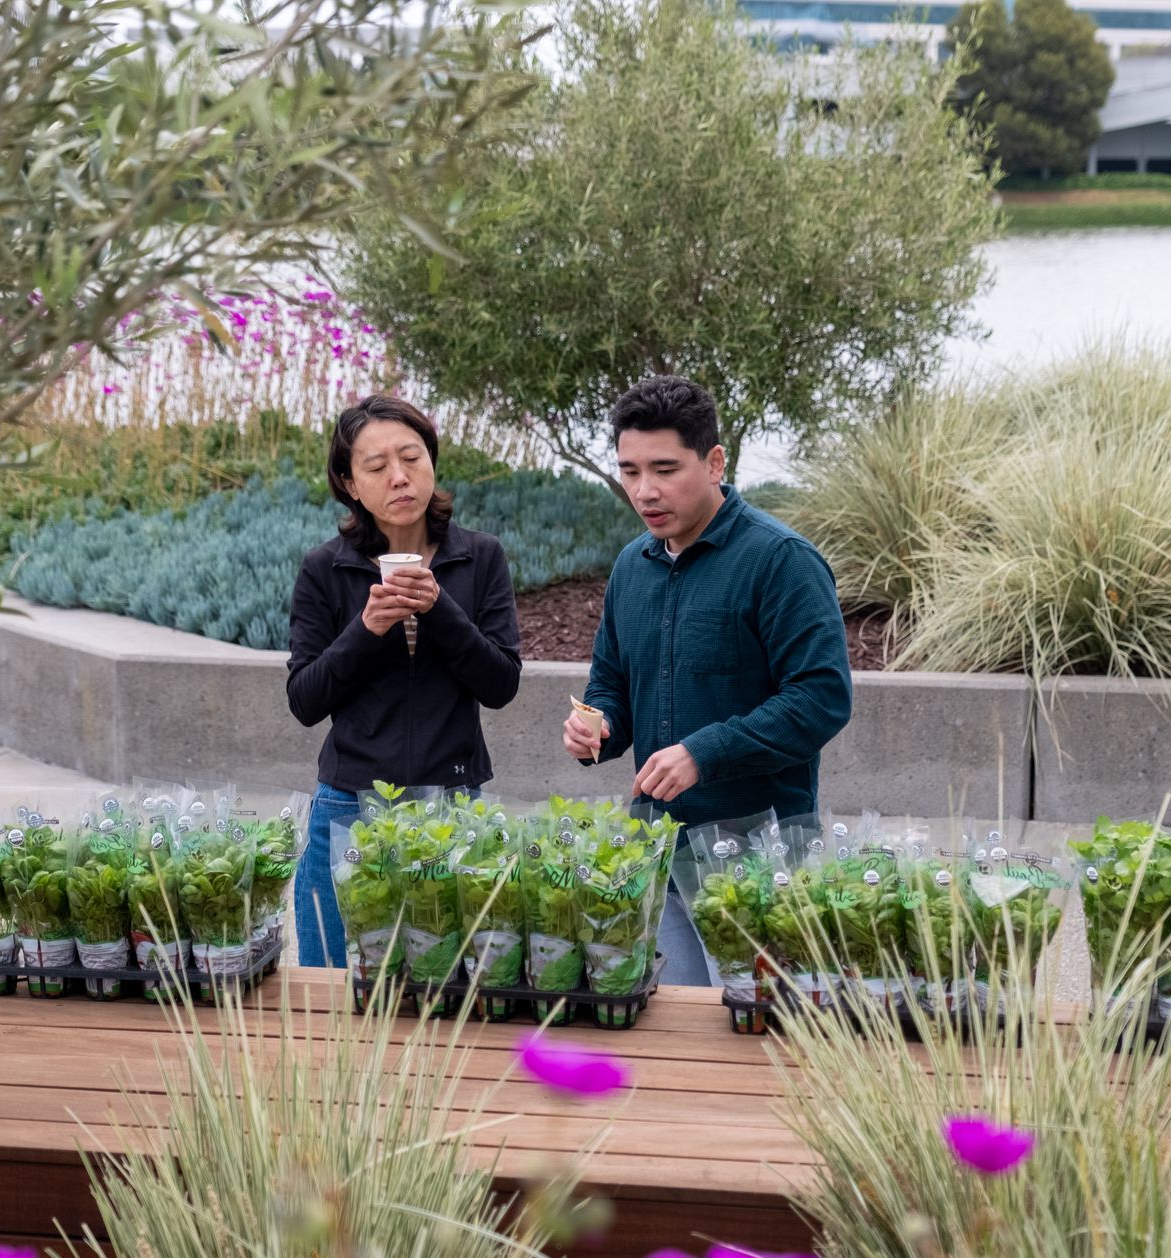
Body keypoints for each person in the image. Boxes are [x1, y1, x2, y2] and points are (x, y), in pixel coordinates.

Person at [561, 375, 852, 984]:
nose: (645, 491)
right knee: (672, 1043)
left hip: (763, 857)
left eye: (665, 469)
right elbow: (612, 679)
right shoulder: (630, 565)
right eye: (630, 471)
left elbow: (822, 698)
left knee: (762, 1047)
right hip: (657, 852)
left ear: (715, 461)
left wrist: (703, 752)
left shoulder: (782, 561)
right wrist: (600, 726)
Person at [287, 394, 521, 968]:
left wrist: (439, 610)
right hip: (348, 808)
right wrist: (366, 629)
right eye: (376, 467)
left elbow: (501, 684)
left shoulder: (479, 557)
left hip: (453, 809)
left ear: (432, 463)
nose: (399, 477)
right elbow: (305, 699)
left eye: (412, 458)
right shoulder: (326, 568)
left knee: (449, 994)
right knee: (334, 992)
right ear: (349, 484)